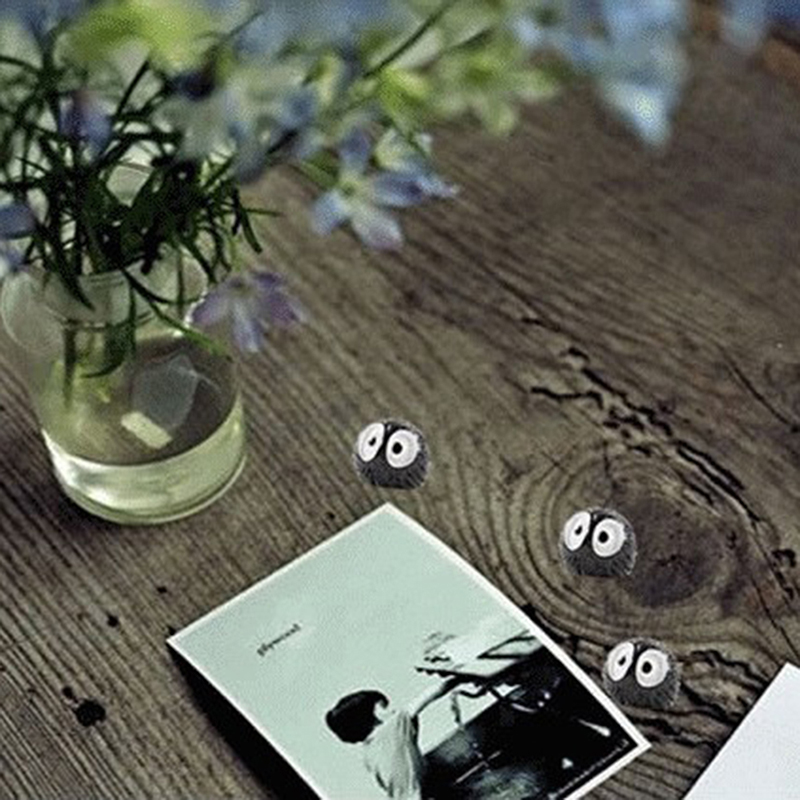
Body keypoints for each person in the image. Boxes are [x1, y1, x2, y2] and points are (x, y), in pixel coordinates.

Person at [325, 678, 460, 800]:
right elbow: (430, 695)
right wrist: (457, 679)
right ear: (371, 716)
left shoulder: (368, 754)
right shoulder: (393, 727)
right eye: (384, 707)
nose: (393, 710)